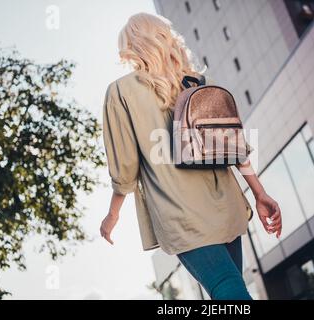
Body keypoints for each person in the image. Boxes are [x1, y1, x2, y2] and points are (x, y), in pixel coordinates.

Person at [100, 13, 282, 300]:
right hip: (226, 207)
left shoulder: (121, 91)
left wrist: (113, 213)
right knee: (232, 291)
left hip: (181, 214)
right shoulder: (200, 82)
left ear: (132, 47)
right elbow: (234, 145)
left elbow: (125, 168)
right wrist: (260, 193)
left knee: (228, 291)